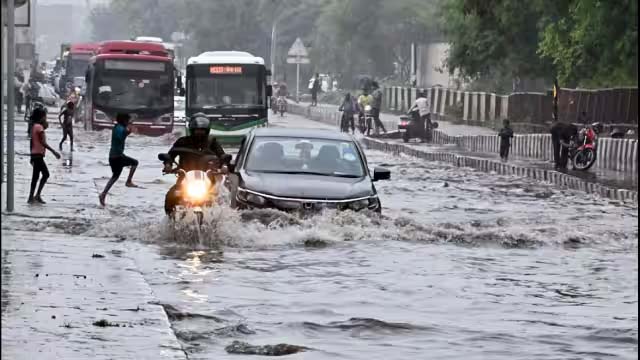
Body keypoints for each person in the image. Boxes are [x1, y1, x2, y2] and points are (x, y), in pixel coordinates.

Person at [162, 113, 229, 215]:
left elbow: (222, 155)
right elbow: (170, 155)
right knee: (171, 196)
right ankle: (171, 221)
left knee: (221, 198)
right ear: (192, 130)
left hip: (207, 177)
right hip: (185, 176)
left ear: (207, 131)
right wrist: (168, 165)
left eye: (202, 130)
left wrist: (224, 166)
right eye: (197, 130)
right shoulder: (182, 141)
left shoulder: (212, 142)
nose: (199, 133)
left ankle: (221, 221)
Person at [99, 113, 139, 206]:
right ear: (123, 120)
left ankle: (103, 194)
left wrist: (127, 132)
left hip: (115, 156)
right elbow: (120, 138)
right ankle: (128, 181)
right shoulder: (119, 129)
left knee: (115, 177)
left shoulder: (118, 127)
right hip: (117, 157)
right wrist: (127, 132)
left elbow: (122, 136)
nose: (128, 122)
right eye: (127, 120)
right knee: (135, 163)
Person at [27, 108, 61, 204]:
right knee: (45, 174)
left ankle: (31, 197)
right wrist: (54, 152)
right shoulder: (39, 128)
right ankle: (36, 195)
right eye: (45, 116)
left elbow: (32, 142)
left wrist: (31, 156)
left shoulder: (34, 126)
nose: (46, 118)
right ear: (41, 117)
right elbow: (43, 142)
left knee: (36, 176)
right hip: (38, 155)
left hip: (35, 154)